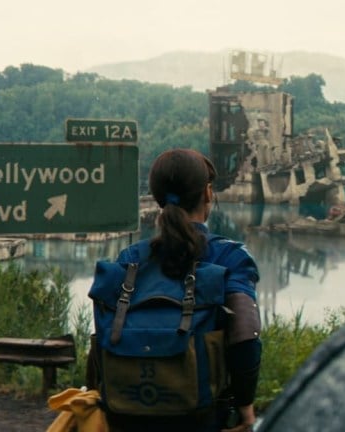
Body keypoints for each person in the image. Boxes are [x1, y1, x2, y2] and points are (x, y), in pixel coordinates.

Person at [103, 148, 262, 432]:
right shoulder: (230, 256)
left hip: (129, 412)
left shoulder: (130, 259)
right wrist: (245, 406)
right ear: (208, 194)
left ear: (158, 198)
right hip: (202, 416)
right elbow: (245, 336)